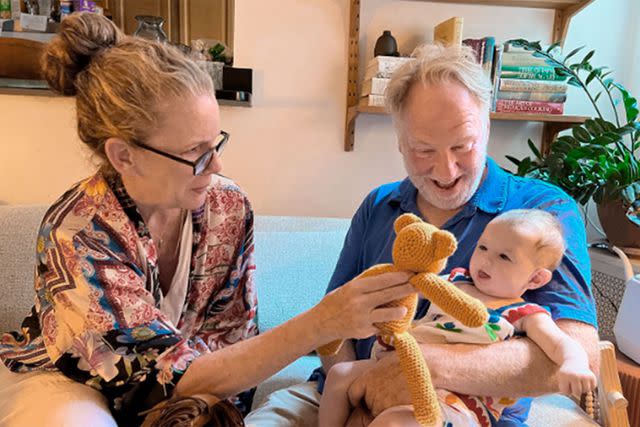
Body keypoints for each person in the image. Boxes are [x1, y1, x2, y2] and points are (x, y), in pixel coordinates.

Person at [0, 13, 416, 427]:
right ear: (123, 155)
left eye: (216, 141)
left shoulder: (227, 207)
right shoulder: (76, 233)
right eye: (196, 151)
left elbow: (233, 338)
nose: (216, 163)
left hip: (186, 389)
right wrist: (322, 321)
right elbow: (160, 375)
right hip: (69, 381)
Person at [245, 44, 598, 426]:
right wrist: (356, 403)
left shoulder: (542, 213)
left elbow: (580, 352)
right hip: (343, 395)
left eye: (462, 146)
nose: (445, 171)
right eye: (423, 150)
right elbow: (335, 321)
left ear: (487, 127)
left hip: (460, 410)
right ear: (399, 142)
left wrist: (422, 366)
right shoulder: (379, 205)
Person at [319, 209, 597, 427]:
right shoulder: (456, 280)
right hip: (396, 368)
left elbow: (560, 343)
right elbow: (412, 283)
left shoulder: (522, 314)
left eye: (503, 256)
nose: (485, 261)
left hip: (458, 402)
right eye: (483, 248)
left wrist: (573, 363)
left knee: (395, 423)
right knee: (339, 374)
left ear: (536, 278)